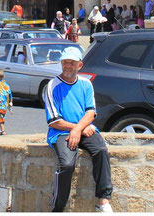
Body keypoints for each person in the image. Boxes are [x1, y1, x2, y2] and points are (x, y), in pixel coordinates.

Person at [43, 47, 113, 213]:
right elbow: (53, 121)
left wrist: (78, 129)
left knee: (101, 151)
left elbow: (91, 111)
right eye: (65, 62)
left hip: (84, 129)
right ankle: (58, 207)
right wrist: (77, 129)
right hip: (62, 132)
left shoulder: (85, 84)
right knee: (67, 164)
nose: (68, 66)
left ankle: (103, 200)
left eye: (71, 63)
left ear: (79, 65)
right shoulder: (52, 85)